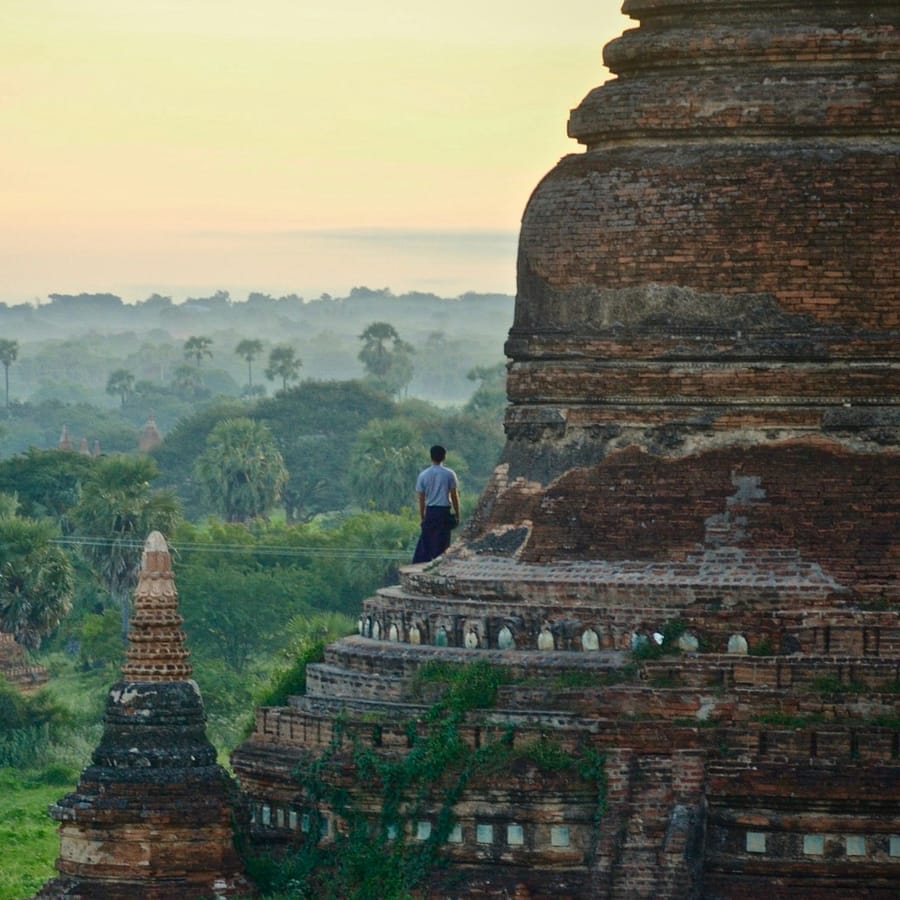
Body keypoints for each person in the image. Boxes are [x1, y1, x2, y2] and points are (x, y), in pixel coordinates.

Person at [412, 444, 460, 563]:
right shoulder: (449, 474)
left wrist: (423, 516)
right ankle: (440, 564)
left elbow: (422, 499)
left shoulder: (423, 475)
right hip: (444, 511)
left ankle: (423, 565)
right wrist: (457, 513)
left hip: (431, 511)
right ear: (444, 457)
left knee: (426, 542)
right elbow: (454, 496)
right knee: (443, 541)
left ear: (431, 457)